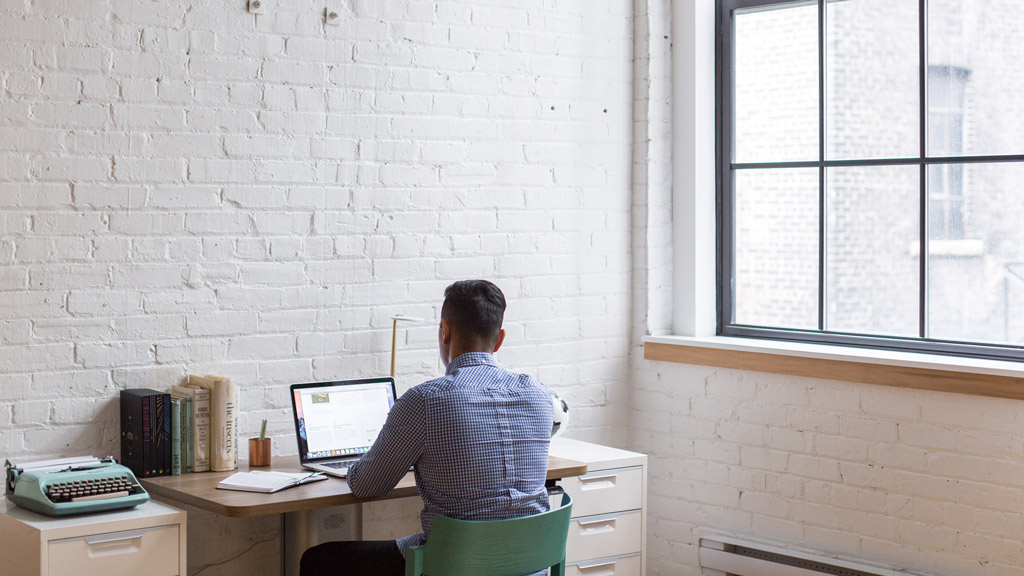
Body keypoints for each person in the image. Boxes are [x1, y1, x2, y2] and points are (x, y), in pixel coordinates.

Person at [300, 279, 554, 576]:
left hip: (453, 565)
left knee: (318, 560)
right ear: (499, 340)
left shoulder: (425, 400)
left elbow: (367, 485)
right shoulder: (539, 394)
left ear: (444, 331)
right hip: (530, 565)